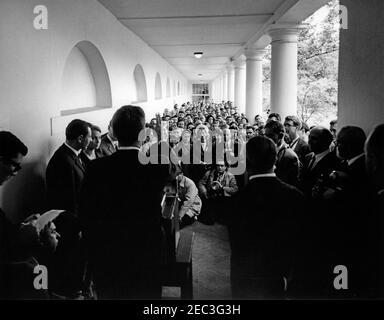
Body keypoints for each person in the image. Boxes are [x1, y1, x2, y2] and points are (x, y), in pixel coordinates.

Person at [79, 105, 169, 299]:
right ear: (143, 133)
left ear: (114, 132)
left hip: (109, 255)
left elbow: (86, 215)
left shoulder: (95, 168)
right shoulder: (156, 167)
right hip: (146, 252)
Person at [228, 136, 303, 299]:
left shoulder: (237, 201)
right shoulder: (296, 196)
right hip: (282, 281)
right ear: (275, 160)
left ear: (246, 163)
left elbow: (238, 248)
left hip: (246, 283)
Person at [198, 160, 238, 225]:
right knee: (209, 221)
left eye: (222, 166)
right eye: (218, 165)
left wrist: (223, 188)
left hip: (223, 199)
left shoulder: (230, 176)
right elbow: (201, 183)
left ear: (225, 167)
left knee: (222, 221)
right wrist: (204, 192)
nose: (219, 167)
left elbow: (235, 189)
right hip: (210, 197)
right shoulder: (209, 173)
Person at [265, 120, 300, 186]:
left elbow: (291, 183)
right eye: (265, 136)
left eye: (270, 136)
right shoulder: (265, 150)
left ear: (280, 136)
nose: (266, 139)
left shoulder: (290, 156)